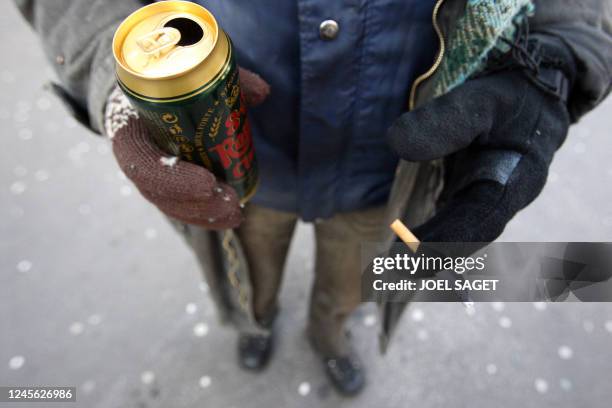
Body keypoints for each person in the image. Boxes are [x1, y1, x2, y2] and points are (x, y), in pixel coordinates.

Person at [15, 0, 611, 396]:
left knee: (352, 283)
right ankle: (256, 323)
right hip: (233, 159)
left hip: (391, 167)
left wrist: (553, 57)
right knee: (247, 271)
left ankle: (329, 335)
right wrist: (109, 61)